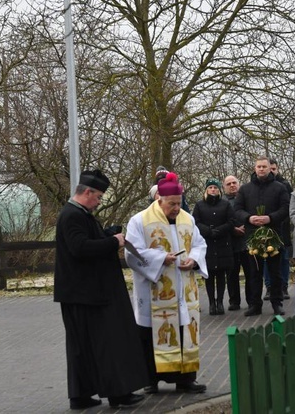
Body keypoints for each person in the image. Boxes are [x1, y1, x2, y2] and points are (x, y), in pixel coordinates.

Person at [54, 169, 148, 410]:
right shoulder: (73, 215)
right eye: (98, 198)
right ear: (87, 192)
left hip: (82, 293)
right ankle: (118, 393)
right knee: (110, 343)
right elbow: (80, 248)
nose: (98, 202)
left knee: (82, 347)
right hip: (90, 293)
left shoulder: (77, 213)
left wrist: (105, 234)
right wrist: (113, 242)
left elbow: (86, 240)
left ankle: (81, 395)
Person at [125, 172, 208, 395]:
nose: (175, 208)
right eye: (171, 204)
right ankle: (150, 380)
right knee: (152, 333)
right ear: (159, 200)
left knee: (184, 330)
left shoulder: (187, 219)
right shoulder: (139, 220)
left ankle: (186, 379)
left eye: (178, 203)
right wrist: (162, 258)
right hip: (155, 290)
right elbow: (132, 253)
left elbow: (200, 244)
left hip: (183, 288)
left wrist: (194, 260)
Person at [233, 156, 290, 316]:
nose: (262, 169)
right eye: (259, 166)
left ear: (269, 168)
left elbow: (286, 208)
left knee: (275, 272)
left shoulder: (279, 188)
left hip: (273, 235)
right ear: (255, 168)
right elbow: (237, 209)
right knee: (254, 272)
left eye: (264, 166)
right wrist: (249, 218)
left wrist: (270, 218)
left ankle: (277, 303)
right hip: (253, 236)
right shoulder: (245, 189)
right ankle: (254, 304)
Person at [192, 178, 235, 315]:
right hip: (207, 243)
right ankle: (211, 302)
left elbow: (231, 221)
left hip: (223, 242)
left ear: (219, 190)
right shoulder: (199, 205)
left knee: (221, 274)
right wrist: (208, 231)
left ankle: (220, 302)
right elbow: (196, 222)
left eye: (215, 188)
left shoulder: (225, 204)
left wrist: (220, 230)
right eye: (210, 188)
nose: (213, 190)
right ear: (206, 190)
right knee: (209, 274)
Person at [265, 158, 292, 300]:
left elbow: (290, 206)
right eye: (270, 169)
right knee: (265, 258)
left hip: (282, 227)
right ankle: (269, 288)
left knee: (284, 259)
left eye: (274, 169)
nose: (272, 172)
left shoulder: (285, 185)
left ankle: (284, 287)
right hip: (266, 229)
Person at [222, 175, 244, 311]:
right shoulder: (222, 202)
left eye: (234, 183)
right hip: (229, 243)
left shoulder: (245, 198)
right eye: (228, 184)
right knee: (231, 274)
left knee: (251, 273)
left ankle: (253, 301)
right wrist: (233, 229)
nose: (232, 185)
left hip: (246, 241)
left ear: (239, 184)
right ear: (224, 187)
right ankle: (234, 301)